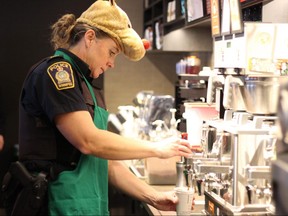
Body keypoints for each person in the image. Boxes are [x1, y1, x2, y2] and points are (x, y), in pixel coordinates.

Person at [15, 0, 194, 215]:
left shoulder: (87, 84)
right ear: (90, 38)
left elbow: (105, 163)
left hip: (86, 206)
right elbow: (89, 141)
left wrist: (154, 197)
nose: (112, 63)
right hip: (57, 205)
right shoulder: (58, 73)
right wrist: (156, 149)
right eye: (112, 52)